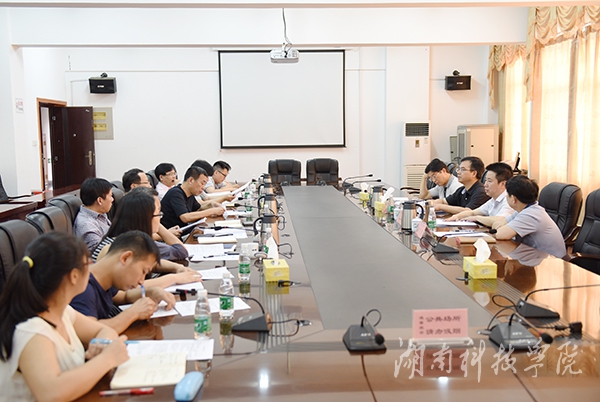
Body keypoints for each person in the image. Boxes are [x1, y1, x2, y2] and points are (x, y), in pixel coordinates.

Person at [0, 232, 128, 401]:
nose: (91, 269)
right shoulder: (32, 330)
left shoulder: (63, 312)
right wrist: (107, 358)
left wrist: (101, 344)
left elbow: (104, 331)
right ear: (74, 276)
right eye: (88, 263)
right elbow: (51, 394)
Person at [71, 231, 177, 334]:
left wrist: (151, 292)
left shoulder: (103, 277)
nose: (141, 281)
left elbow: (124, 296)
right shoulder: (83, 287)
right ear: (126, 258)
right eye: (143, 271)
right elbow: (90, 332)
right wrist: (133, 313)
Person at [91, 188, 199, 288]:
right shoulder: (123, 246)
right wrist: (174, 278)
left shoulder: (127, 237)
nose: (161, 217)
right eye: (158, 213)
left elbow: (151, 263)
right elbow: (129, 287)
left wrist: (178, 268)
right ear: (145, 217)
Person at [492, 175, 567, 258]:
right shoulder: (525, 209)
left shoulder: (531, 214)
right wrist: (500, 228)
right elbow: (498, 224)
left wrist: (500, 229)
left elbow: (500, 235)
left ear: (513, 199)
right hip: (534, 257)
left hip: (551, 261)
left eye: (507, 195)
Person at [447, 162, 515, 226]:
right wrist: (457, 216)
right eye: (485, 180)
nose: (485, 184)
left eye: (489, 181)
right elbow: (473, 212)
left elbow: (501, 220)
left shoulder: (509, 200)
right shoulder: (493, 199)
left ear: (503, 184)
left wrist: (476, 218)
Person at [161, 166, 226, 229]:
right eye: (202, 183)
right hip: (172, 233)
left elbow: (198, 208)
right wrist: (211, 211)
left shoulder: (190, 193)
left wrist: (211, 205)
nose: (203, 188)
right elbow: (185, 217)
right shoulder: (176, 193)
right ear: (191, 180)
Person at [73, 177, 113, 251]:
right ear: (100, 200)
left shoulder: (100, 213)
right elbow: (99, 253)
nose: (112, 199)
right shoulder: (87, 225)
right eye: (110, 196)